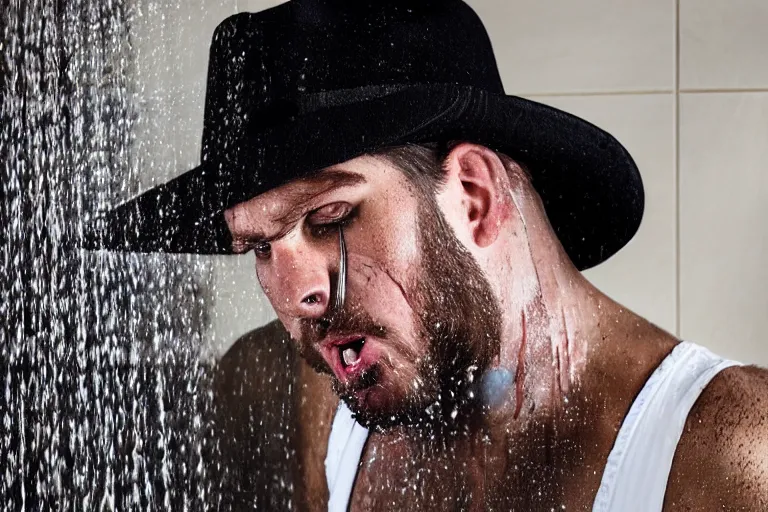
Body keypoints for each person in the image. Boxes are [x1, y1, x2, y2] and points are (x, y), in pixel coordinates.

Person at [85, 0, 768, 510]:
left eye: (330, 216)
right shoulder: (288, 394)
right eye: (259, 247)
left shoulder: (734, 456)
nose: (294, 294)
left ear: (473, 193)